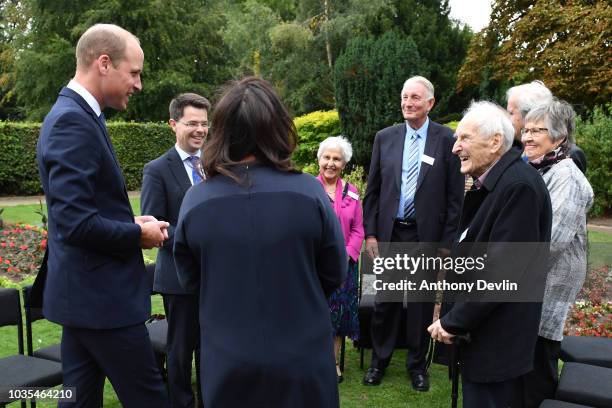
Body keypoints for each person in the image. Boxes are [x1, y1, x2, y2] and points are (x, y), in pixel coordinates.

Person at [173, 77, 347, 407]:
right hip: (302, 360)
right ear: (278, 127)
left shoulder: (197, 201)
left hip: (229, 362)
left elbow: (191, 278)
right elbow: (333, 271)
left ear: (222, 130)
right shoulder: (310, 193)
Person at [36, 24, 169, 407]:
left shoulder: (80, 115)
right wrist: (136, 236)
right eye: (135, 73)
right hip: (103, 304)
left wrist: (131, 223)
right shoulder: (72, 122)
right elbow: (74, 223)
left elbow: (83, 212)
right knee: (149, 399)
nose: (139, 84)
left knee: (77, 400)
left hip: (85, 299)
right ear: (104, 64)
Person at [428, 101, 552, 408]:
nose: (455, 147)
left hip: (498, 345)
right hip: (485, 339)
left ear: (495, 142)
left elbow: (501, 274)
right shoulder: (497, 184)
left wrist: (453, 322)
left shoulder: (517, 187)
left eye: (464, 138)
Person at [362, 75, 464, 391]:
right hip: (390, 234)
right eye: (405, 97)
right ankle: (379, 362)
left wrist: (446, 243)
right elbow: (373, 191)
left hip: (425, 238)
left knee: (420, 306)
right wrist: (370, 235)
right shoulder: (385, 138)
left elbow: (454, 198)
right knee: (385, 304)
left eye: (415, 98)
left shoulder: (447, 139)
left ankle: (418, 367)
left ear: (430, 103)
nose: (408, 103)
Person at [516, 100, 594, 407]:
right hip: (531, 279)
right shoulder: (540, 169)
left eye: (538, 131)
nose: (528, 137)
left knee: (538, 359)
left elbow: (550, 242)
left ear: (559, 139)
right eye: (527, 130)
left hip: (549, 283)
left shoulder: (567, 177)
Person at [141, 92, 211, 408]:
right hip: (179, 278)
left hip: (215, 277)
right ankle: (181, 402)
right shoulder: (157, 169)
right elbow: (154, 228)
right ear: (173, 124)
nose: (200, 130)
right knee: (181, 349)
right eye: (192, 123)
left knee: (210, 345)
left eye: (204, 124)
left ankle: (210, 398)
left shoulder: (215, 165)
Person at [316, 136, 364, 383]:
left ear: (344, 164)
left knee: (337, 316)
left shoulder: (352, 192)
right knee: (316, 315)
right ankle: (314, 362)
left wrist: (345, 254)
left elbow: (358, 229)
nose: (331, 163)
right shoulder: (309, 189)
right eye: (327, 157)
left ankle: (332, 363)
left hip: (344, 267)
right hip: (315, 267)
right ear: (319, 160)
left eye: (337, 159)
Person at [506, 81, 587, 173]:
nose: (507, 119)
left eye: (511, 113)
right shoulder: (516, 148)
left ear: (530, 113)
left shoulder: (570, 156)